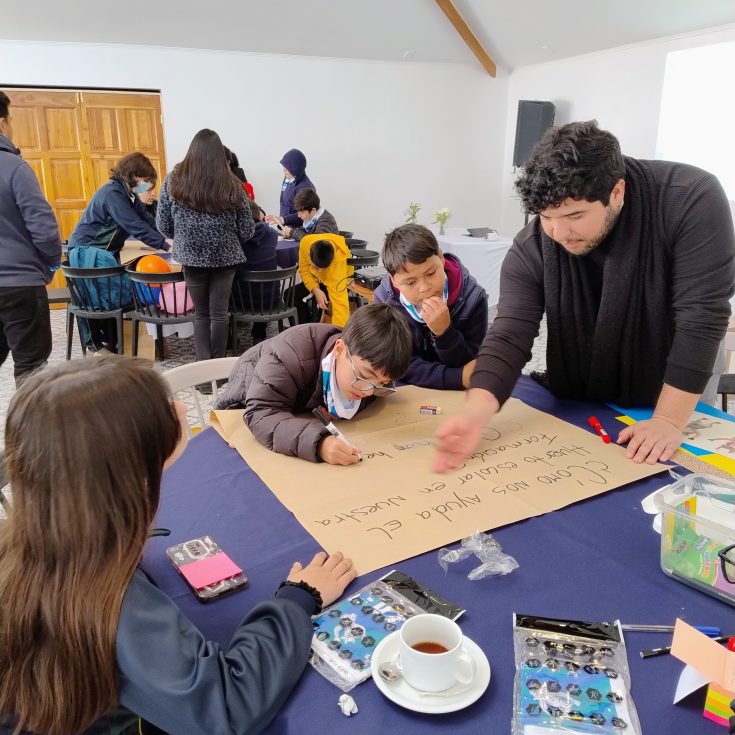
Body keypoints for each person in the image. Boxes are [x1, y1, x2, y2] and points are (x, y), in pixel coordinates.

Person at [0, 357, 356, 735]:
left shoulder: (37, 539)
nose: (185, 408)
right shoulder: (110, 602)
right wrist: (298, 600)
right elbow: (227, 707)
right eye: (166, 413)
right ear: (129, 477)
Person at [433, 120, 735, 472]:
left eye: (575, 215)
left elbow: (701, 318)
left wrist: (668, 420)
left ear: (617, 193)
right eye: (546, 216)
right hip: (590, 381)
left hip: (679, 381)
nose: (559, 232)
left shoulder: (691, 198)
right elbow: (510, 332)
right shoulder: (534, 244)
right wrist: (475, 413)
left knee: (682, 477)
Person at [216, 303, 412, 465]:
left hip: (291, 411)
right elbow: (260, 413)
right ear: (339, 349)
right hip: (242, 411)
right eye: (363, 375)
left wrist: (330, 407)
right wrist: (320, 444)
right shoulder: (290, 355)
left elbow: (371, 384)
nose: (369, 391)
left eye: (381, 383)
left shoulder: (363, 364)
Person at [157, 129, 255, 361]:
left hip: (191, 257)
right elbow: (247, 229)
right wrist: (228, 239)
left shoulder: (173, 179)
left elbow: (162, 223)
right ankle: (219, 370)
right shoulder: (232, 183)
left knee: (200, 313)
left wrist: (182, 237)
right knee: (220, 314)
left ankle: (202, 371)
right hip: (225, 258)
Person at [374, 224, 488, 390]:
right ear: (394, 281)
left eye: (431, 273)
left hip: (456, 394)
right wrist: (455, 377)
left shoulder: (473, 298)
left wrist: (445, 333)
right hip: (407, 393)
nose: (424, 288)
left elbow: (471, 365)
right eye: (411, 282)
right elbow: (394, 364)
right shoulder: (384, 301)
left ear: (441, 258)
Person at [0, 90, 62, 386]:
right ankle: (28, 432)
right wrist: (50, 266)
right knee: (31, 368)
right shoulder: (14, 167)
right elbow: (44, 228)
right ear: (2, 123)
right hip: (20, 284)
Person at [67, 152, 168, 258]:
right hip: (85, 251)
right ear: (134, 176)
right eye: (146, 180)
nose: (148, 185)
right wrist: (166, 245)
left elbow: (148, 221)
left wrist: (171, 236)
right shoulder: (112, 193)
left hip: (104, 251)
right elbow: (135, 226)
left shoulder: (131, 196)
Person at [236, 198, 278, 343]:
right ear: (259, 215)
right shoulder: (272, 234)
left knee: (225, 284)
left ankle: (228, 337)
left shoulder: (237, 237)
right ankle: (259, 334)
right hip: (270, 299)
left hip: (241, 301)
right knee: (262, 284)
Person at [295, 233, 353, 327]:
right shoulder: (305, 242)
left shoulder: (337, 265)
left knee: (332, 305)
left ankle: (320, 326)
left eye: (323, 269)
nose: (320, 270)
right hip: (316, 278)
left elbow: (340, 304)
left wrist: (338, 334)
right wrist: (315, 289)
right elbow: (304, 270)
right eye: (317, 267)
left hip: (339, 281)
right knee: (292, 295)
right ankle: (305, 329)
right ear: (310, 256)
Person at [266, 148, 315, 228]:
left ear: (294, 170)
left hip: (297, 229)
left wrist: (283, 219)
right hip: (284, 225)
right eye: (284, 170)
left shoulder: (306, 188)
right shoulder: (287, 179)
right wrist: (280, 220)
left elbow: (304, 213)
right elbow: (283, 201)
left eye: (286, 171)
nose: (284, 174)